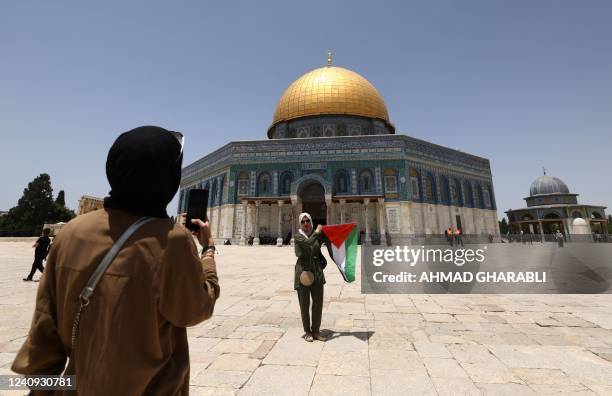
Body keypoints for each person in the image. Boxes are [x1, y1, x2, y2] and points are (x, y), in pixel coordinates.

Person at [12, 126, 220, 395]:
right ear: (167, 177)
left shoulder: (71, 232)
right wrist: (208, 252)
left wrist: (42, 390)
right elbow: (195, 310)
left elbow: (44, 334)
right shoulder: (172, 241)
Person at [294, 213, 327, 342]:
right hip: (303, 273)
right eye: (303, 222)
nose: (306, 224)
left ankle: (316, 331)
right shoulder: (298, 236)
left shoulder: (317, 236)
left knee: (318, 303)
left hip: (317, 271)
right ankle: (307, 331)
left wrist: (348, 228)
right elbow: (308, 243)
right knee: (304, 303)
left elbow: (332, 238)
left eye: (308, 221)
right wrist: (317, 232)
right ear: (300, 224)